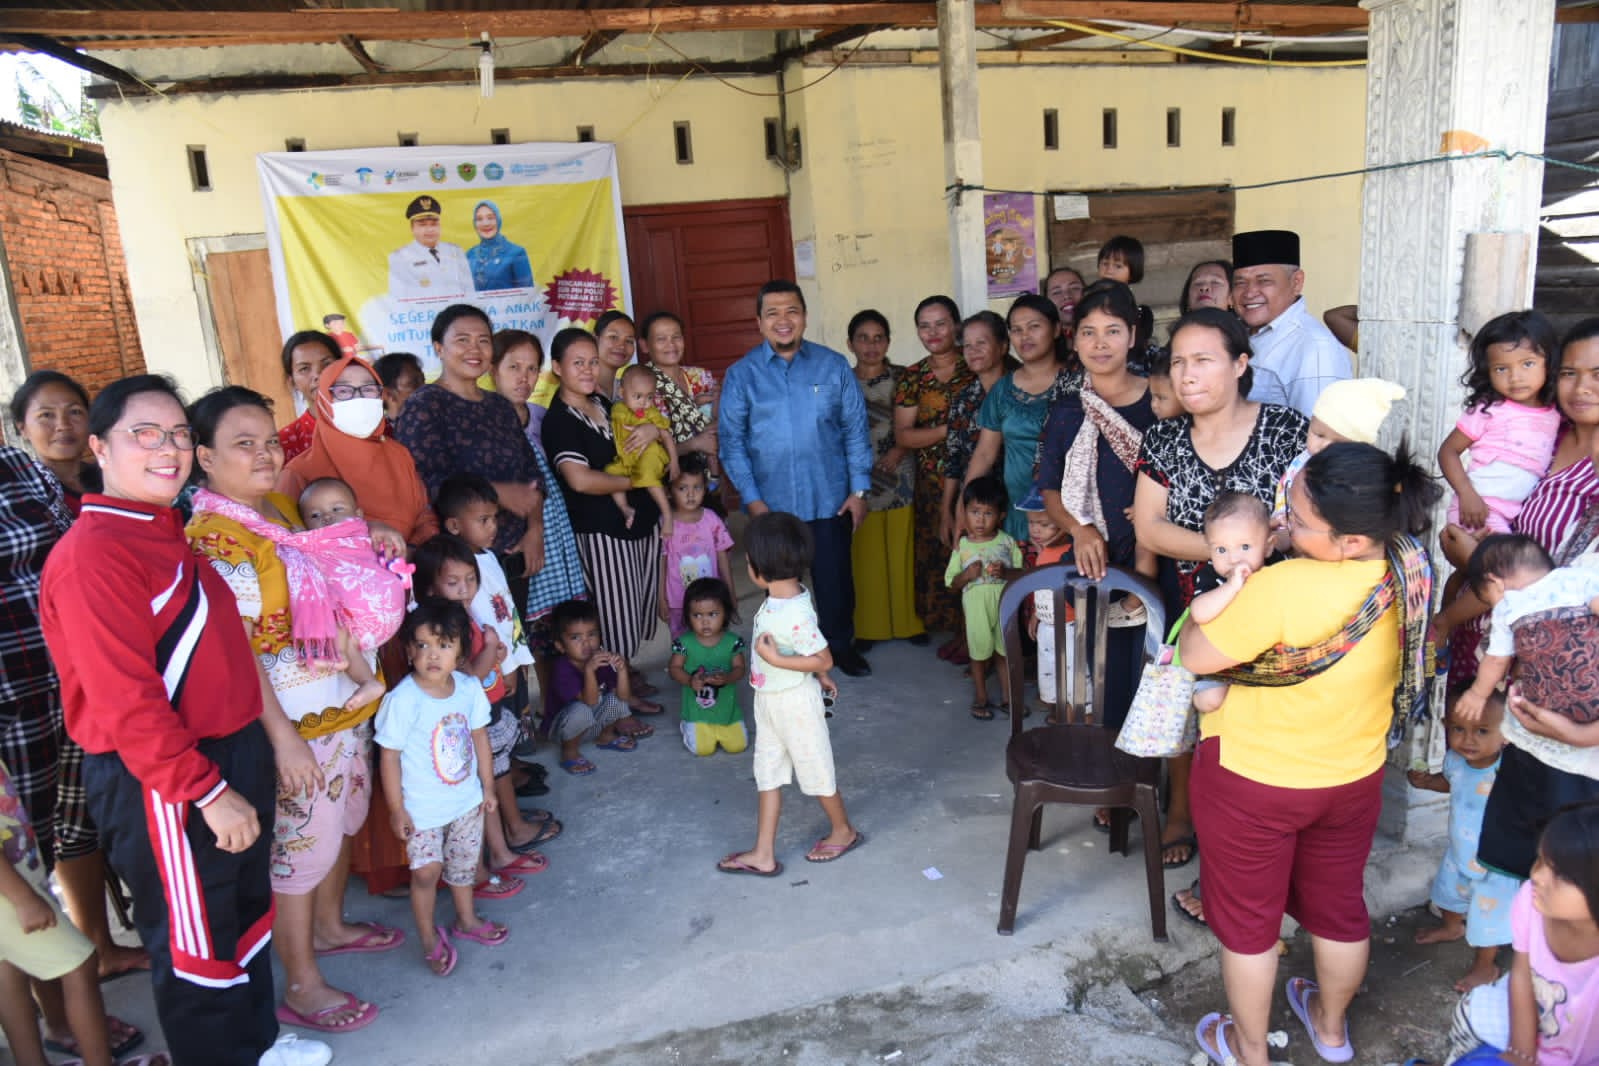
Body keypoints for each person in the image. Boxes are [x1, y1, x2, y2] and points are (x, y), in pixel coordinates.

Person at [40, 373, 332, 1066]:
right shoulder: (92, 556)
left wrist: (262, 750)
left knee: (240, 916)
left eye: (175, 433)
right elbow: (127, 703)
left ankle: (255, 1046)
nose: (165, 448)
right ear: (100, 449)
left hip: (229, 755)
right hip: (167, 780)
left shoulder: (168, 532)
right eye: (144, 434)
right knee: (194, 942)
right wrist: (205, 790)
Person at [1181, 441, 1438, 1066]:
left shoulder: (1284, 585)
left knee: (1248, 925)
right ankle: (1329, 1029)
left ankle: (1250, 1052)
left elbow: (1194, 655)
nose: (1279, 525)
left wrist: (1215, 604)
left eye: (1295, 520)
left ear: (1350, 539)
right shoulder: (1409, 570)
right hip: (1352, 779)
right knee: (1337, 907)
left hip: (1253, 782)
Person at [186, 387, 396, 1037]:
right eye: (243, 444)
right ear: (204, 457)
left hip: (336, 705)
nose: (265, 453)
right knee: (298, 852)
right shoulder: (213, 540)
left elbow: (334, 553)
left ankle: (330, 929)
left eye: (270, 440)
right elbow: (241, 654)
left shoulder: (275, 509)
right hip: (292, 724)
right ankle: (301, 982)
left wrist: (377, 532)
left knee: (337, 825)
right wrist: (283, 742)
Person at [1134, 307, 1308, 875]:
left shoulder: (1285, 430)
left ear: (1240, 364)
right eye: (1179, 362)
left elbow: (1300, 520)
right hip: (1196, 607)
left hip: (1272, 609)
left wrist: (1255, 559)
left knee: (1255, 724)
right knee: (1192, 714)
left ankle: (1246, 833)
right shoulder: (1162, 437)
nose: (1187, 375)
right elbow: (1149, 527)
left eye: (1203, 360)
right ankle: (1181, 811)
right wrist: (1231, 556)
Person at [719, 280, 874, 677]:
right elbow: (732, 443)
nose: (783, 321)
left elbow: (856, 429)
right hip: (771, 506)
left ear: (804, 317)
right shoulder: (742, 376)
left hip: (830, 500)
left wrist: (859, 491)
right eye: (772, 313)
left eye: (792, 311)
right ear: (759, 322)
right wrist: (752, 501)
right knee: (780, 589)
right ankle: (787, 654)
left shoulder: (833, 365)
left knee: (836, 582)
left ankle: (840, 647)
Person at [1034, 280, 1158, 733]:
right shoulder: (1068, 410)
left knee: (1157, 677)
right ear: (1074, 338)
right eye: (1088, 332)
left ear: (1132, 335)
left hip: (1158, 558)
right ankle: (1114, 785)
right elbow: (1049, 488)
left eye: (1112, 331)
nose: (1100, 343)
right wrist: (1080, 530)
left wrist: (1153, 516)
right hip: (1096, 565)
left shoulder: (1159, 403)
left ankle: (1151, 781)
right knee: (1104, 679)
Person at [717, 512, 862, 876]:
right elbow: (814, 658)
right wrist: (819, 673)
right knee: (767, 773)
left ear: (756, 569)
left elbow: (823, 655)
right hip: (770, 702)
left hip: (795, 705)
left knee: (815, 771)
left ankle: (843, 830)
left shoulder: (795, 612)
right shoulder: (784, 597)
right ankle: (763, 853)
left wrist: (779, 659)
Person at [0, 756, 170, 1066]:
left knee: (8, 973)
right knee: (80, 962)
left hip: (17, 881)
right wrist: (23, 898)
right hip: (9, 895)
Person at [429, 479, 561, 869]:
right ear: (454, 526)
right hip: (489, 682)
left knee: (503, 751)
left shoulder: (484, 559)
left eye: (494, 518)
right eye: (483, 519)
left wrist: (517, 662)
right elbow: (483, 634)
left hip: (504, 673)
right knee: (496, 759)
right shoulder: (464, 572)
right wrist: (502, 669)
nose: (493, 527)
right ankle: (513, 830)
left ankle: (512, 823)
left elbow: (506, 621)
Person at [374, 600, 505, 979]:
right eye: (423, 645)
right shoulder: (402, 700)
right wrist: (397, 809)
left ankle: (466, 919)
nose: (433, 655)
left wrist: (487, 786)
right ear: (409, 650)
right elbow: (389, 758)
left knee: (464, 866)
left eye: (444, 645)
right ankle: (429, 937)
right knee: (427, 872)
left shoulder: (467, 689)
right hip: (421, 810)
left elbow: (480, 737)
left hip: (466, 801)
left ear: (461, 650)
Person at [540, 328, 665, 709]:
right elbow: (579, 479)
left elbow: (641, 434)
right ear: (558, 368)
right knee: (614, 618)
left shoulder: (602, 402)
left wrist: (649, 430)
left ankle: (623, 678)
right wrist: (636, 480)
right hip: (602, 532)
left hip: (637, 524)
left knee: (634, 609)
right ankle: (615, 702)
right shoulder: (559, 420)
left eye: (593, 361)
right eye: (578, 362)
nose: (589, 369)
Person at [397, 304, 546, 622]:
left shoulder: (500, 407)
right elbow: (425, 483)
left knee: (510, 654)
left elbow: (532, 477)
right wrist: (497, 493)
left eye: (483, 340)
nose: (474, 350)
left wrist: (535, 530)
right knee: (470, 659)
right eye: (462, 340)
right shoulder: (424, 406)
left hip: (512, 557)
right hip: (457, 568)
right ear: (439, 347)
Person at [1442, 803, 1599, 1064]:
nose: (1537, 875)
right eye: (1540, 859)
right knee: (1469, 1012)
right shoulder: (1532, 900)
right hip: (1536, 1015)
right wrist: (1521, 1050)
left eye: (1559, 873)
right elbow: (1523, 974)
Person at [490, 329, 588, 717]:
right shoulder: (488, 423)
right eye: (513, 367)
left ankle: (558, 710)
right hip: (518, 541)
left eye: (532, 369)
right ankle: (527, 717)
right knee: (524, 635)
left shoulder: (540, 417)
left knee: (555, 630)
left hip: (554, 532)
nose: (524, 378)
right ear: (493, 370)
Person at [1407, 688, 1515, 994]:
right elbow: (1451, 782)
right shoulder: (1455, 761)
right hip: (1458, 852)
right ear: (1445, 726)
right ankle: (1452, 927)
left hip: (1495, 862)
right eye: (1458, 729)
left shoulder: (1507, 770)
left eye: (1482, 731)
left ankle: (1485, 965)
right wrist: (1428, 782)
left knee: (1487, 916)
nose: (1468, 740)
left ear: (1506, 733)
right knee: (1446, 894)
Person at [278, 353, 439, 546]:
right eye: (344, 391)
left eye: (369, 389)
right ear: (324, 400)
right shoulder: (298, 473)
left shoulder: (399, 455)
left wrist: (410, 554)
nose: (359, 398)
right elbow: (287, 544)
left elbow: (424, 518)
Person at [939, 310, 1019, 666]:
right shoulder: (964, 398)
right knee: (978, 575)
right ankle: (982, 653)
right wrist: (951, 509)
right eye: (966, 345)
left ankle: (1019, 654)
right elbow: (955, 461)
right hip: (978, 508)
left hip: (1018, 501)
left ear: (1002, 346)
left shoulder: (1023, 387)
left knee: (1018, 572)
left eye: (980, 343)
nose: (971, 351)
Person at [963, 294, 1077, 543]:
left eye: (1034, 326)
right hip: (1018, 513)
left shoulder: (1077, 383)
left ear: (1056, 329)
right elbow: (984, 455)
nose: (1024, 336)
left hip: (1068, 513)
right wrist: (964, 508)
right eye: (1016, 330)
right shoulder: (1002, 391)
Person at [1438, 311, 1561, 535]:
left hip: (1513, 516)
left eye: (1528, 364)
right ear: (1488, 372)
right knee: (1506, 565)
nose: (1515, 377)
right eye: (1501, 369)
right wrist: (1467, 494)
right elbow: (1448, 451)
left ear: (1549, 362)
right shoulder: (1490, 409)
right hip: (1478, 511)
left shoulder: (1555, 413)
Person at [1457, 534, 1599, 726]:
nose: (1493, 606)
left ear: (1496, 583)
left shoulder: (1507, 605)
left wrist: (1477, 694)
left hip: (1547, 708)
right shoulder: (1578, 578)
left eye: (1489, 599)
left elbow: (1496, 661)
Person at [841, 308, 920, 648]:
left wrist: (898, 451)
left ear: (888, 341)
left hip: (899, 473)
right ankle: (870, 628)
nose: (871, 346)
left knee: (903, 548)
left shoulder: (905, 378)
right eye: (863, 338)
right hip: (858, 478)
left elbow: (917, 422)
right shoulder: (841, 381)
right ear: (850, 343)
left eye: (878, 338)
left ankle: (909, 624)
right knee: (865, 552)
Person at [892, 298, 968, 649]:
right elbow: (904, 435)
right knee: (941, 555)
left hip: (981, 481)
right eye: (925, 325)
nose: (933, 332)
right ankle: (952, 631)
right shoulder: (913, 377)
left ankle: (981, 632)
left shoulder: (978, 363)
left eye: (941, 323)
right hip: (933, 483)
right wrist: (949, 430)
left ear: (956, 324)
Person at [1229, 229, 1351, 416]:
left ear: (1296, 282)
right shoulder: (1239, 335)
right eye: (1240, 283)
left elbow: (1317, 438)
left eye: (1264, 281)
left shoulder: (1314, 347)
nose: (1250, 292)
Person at [1270, 377, 1407, 543]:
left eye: (1338, 443)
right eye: (1318, 434)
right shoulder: (1302, 461)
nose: (1323, 446)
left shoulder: (1360, 479)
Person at [538, 599, 652, 776]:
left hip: (590, 724)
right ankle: (569, 752)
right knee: (580, 710)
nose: (586, 643)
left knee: (616, 700)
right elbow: (589, 702)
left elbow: (624, 697)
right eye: (576, 637)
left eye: (591, 634)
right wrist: (590, 671)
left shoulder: (601, 660)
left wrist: (621, 670)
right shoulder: (562, 668)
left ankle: (605, 736)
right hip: (562, 729)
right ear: (560, 645)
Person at [1185, 493, 1274, 715]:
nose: (1233, 559)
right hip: (1220, 660)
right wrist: (1231, 587)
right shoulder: (1211, 576)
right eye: (1221, 550)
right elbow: (1199, 613)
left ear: (1268, 546)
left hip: (1265, 657)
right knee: (1209, 700)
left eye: (1244, 547)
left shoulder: (1276, 567)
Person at [946, 476, 1023, 718]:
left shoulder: (1008, 544)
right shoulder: (963, 547)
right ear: (965, 513)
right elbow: (951, 584)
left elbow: (1023, 576)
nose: (980, 519)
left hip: (1004, 607)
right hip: (977, 611)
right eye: (974, 512)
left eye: (988, 513)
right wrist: (966, 576)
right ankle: (981, 697)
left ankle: (1008, 698)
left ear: (1000, 516)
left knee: (1004, 652)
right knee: (978, 654)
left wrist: (1007, 572)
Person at [668, 578, 749, 757]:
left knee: (738, 746)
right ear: (687, 616)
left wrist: (727, 678)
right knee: (703, 750)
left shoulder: (732, 642)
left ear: (725, 613)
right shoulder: (684, 643)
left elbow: (740, 668)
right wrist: (690, 680)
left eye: (712, 614)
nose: (705, 622)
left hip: (727, 712)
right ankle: (687, 724)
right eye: (697, 615)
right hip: (697, 713)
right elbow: (674, 668)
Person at [659, 453, 735, 639]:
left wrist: (730, 591)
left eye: (697, 487)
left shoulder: (711, 519)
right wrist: (661, 598)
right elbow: (661, 563)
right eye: (682, 488)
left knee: (713, 637)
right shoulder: (665, 524)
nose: (691, 494)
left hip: (712, 598)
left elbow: (722, 557)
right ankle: (681, 668)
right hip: (678, 600)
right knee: (682, 643)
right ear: (669, 491)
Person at [10, 370, 100, 513]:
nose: (63, 425)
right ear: (22, 429)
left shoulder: (115, 481)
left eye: (75, 412)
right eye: (46, 415)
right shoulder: (18, 496)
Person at [605, 363, 679, 534]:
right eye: (638, 396)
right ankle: (625, 508)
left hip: (649, 455)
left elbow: (666, 436)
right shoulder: (617, 409)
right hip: (627, 458)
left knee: (648, 476)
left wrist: (674, 462)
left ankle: (667, 514)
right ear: (622, 393)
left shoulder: (652, 413)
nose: (644, 403)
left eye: (650, 397)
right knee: (611, 474)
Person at [638, 311, 720, 460]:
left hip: (711, 469)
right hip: (670, 477)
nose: (671, 345)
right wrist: (693, 444)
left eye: (676, 337)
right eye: (661, 339)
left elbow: (725, 419)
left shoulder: (701, 377)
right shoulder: (640, 387)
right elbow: (645, 450)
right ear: (645, 345)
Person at [1019, 498, 1074, 721]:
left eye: (1044, 524)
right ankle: (1057, 713)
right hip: (1047, 625)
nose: (1036, 530)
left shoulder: (1070, 552)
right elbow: (1042, 589)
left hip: (1070, 625)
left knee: (1071, 673)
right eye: (1032, 523)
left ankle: (1070, 718)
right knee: (1050, 671)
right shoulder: (1043, 552)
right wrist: (1036, 614)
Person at [387, 195, 472, 301]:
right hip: (423, 315)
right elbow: (399, 298)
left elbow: (469, 289)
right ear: (412, 228)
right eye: (422, 225)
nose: (429, 229)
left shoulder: (455, 250)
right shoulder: (400, 257)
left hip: (457, 313)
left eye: (434, 224)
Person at [276, 331, 341, 462]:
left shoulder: (374, 425)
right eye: (304, 368)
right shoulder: (285, 443)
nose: (318, 374)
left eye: (327, 364)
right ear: (292, 382)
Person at [1096, 236, 1155, 361]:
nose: (1109, 271)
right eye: (1105, 264)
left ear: (1132, 272)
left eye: (1118, 266)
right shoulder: (1091, 300)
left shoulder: (1136, 310)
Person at [465, 201, 534, 293]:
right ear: (475, 223)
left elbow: (527, 295)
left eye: (490, 218)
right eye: (479, 219)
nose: (485, 223)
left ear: (498, 220)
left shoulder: (516, 252)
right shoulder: (470, 254)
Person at [372, 351, 423, 430]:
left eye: (423, 381)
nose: (425, 388)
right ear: (387, 394)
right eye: (413, 383)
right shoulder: (380, 435)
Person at [593, 310, 637, 400]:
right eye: (613, 337)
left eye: (629, 341)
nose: (621, 346)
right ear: (595, 339)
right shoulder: (580, 387)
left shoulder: (628, 391)